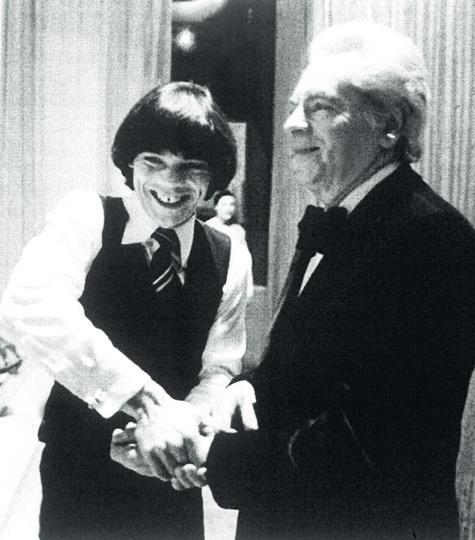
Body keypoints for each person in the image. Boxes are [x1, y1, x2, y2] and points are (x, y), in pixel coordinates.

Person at [112, 22, 475, 539]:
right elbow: (310, 377)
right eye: (294, 106)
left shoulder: (432, 239)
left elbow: (374, 443)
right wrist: (244, 392)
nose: (291, 124)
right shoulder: (354, 217)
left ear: (390, 126)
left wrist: (210, 452)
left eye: (320, 108)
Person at [0, 81, 251, 540]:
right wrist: (148, 405)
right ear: (129, 163)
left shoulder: (230, 255)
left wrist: (180, 435)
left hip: (169, 474)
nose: (171, 182)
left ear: (213, 179)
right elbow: (31, 303)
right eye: (153, 161)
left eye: (191, 168)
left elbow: (219, 367)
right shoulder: (87, 215)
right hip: (79, 472)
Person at [207, 190, 253, 298]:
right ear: (216, 207)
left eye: (232, 204)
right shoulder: (208, 228)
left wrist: (249, 287)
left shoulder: (239, 230)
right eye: (224, 204)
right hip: (216, 283)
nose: (228, 208)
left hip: (237, 285)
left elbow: (246, 259)